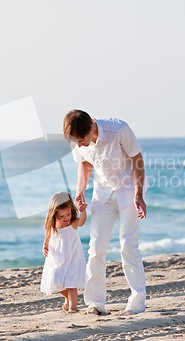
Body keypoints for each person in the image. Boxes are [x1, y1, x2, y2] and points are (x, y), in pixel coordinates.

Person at [63, 110, 147, 316]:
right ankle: (95, 303)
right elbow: (84, 163)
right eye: (76, 142)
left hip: (129, 190)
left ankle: (136, 304)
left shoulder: (118, 130)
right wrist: (80, 191)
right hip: (103, 194)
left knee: (128, 245)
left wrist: (139, 194)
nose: (80, 145)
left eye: (82, 140)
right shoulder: (79, 141)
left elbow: (138, 160)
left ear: (91, 125)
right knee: (96, 247)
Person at [41, 191, 87, 313]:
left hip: (72, 257)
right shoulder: (53, 225)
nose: (65, 218)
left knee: (71, 283)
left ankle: (72, 308)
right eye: (61, 216)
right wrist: (45, 245)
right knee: (55, 280)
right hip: (58, 258)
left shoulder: (72, 223)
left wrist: (82, 210)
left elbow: (81, 222)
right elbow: (48, 234)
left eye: (68, 214)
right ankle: (68, 298)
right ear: (54, 214)